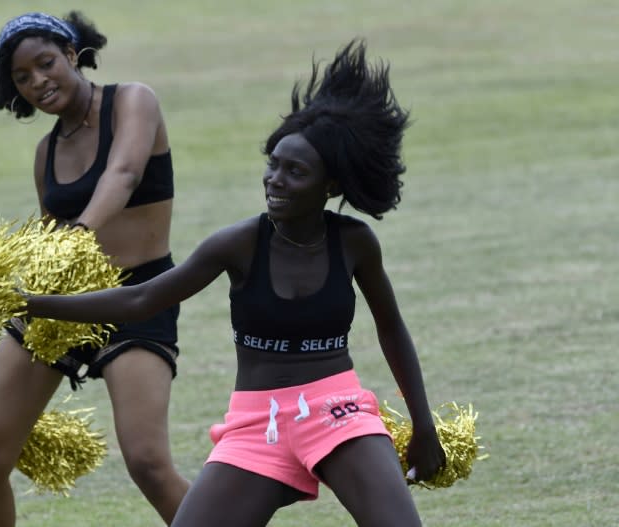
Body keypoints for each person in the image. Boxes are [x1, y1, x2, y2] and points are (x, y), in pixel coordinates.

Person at [25, 39, 446, 526]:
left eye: (295, 171)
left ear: (330, 185)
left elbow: (392, 330)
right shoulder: (238, 243)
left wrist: (424, 424)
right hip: (255, 424)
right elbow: (142, 297)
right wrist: (34, 304)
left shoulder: (354, 243)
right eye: (273, 164)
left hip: (339, 412)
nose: (275, 179)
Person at [0, 11, 189, 527]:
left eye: (45, 64)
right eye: (22, 78)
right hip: (64, 300)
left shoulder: (133, 100)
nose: (38, 82)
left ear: (71, 54)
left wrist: (81, 231)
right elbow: (49, 239)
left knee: (148, 464)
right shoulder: (47, 153)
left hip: (138, 297)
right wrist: (3, 282)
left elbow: (126, 172)